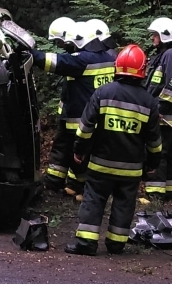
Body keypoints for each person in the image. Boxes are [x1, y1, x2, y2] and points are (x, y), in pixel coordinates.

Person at [66, 43, 164, 255]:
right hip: (131, 170)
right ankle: (116, 244)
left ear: (117, 66)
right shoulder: (149, 102)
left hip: (100, 164)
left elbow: (85, 128)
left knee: (93, 200)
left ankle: (86, 243)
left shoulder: (103, 93)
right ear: (142, 71)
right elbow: (154, 141)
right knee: (124, 205)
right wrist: (153, 165)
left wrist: (79, 150)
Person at [38, 18, 116, 197]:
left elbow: (51, 62)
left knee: (77, 152)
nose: (66, 46)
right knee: (80, 153)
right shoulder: (108, 57)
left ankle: (74, 186)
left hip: (81, 118)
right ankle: (74, 185)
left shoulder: (83, 60)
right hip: (95, 116)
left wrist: (29, 54)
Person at [142, 16, 172, 205]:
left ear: (164, 36)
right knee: (166, 152)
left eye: (155, 35)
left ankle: (156, 194)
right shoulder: (164, 55)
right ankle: (169, 190)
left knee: (158, 151)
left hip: (166, 115)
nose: (153, 38)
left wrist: (159, 108)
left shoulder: (171, 56)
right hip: (165, 114)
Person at [41, 16, 80, 192]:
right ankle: (56, 182)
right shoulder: (76, 56)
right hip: (69, 114)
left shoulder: (78, 59)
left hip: (76, 116)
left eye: (60, 41)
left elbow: (52, 63)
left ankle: (66, 183)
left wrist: (32, 54)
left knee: (70, 148)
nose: (60, 45)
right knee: (63, 147)